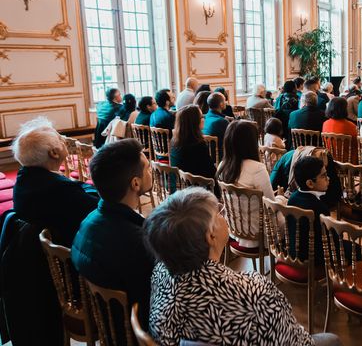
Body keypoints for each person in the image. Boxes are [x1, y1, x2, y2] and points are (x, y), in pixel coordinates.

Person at [143, 188, 340, 346]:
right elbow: (295, 341)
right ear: (210, 237)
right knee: (332, 339)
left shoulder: (160, 274)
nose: (224, 215)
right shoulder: (254, 292)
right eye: (219, 213)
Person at [71, 139, 155, 327]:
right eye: (148, 168)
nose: (151, 172)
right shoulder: (137, 242)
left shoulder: (89, 220)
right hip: (130, 329)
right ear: (135, 183)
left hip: (103, 321)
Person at [11, 118, 99, 247]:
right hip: (70, 250)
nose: (64, 140)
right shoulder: (61, 189)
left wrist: (78, 185)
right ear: (54, 153)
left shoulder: (24, 178)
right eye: (60, 139)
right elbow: (99, 206)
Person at [216, 121, 275, 247]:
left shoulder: (222, 165)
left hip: (234, 228)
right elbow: (270, 204)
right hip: (258, 232)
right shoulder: (257, 168)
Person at [270, 147, 341, 209]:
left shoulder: (291, 199)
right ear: (310, 183)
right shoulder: (321, 207)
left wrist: (281, 198)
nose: (328, 178)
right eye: (324, 176)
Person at [170, 105, 215, 179]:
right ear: (194, 122)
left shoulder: (174, 141)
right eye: (201, 117)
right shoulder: (198, 145)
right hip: (196, 187)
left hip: (180, 185)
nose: (203, 119)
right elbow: (211, 173)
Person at [322, 97, 358, 163]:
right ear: (344, 109)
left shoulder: (325, 124)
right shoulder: (351, 126)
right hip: (349, 161)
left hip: (330, 159)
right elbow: (357, 144)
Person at [202, 92, 228, 160]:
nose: (226, 102)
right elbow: (230, 141)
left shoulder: (204, 118)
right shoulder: (222, 122)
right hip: (219, 157)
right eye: (225, 100)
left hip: (206, 155)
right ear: (221, 104)